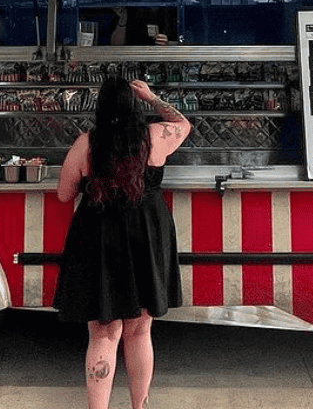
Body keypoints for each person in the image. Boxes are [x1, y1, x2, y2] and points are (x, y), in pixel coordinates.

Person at [54, 76, 191, 409]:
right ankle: (138, 407)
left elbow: (63, 195)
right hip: (147, 233)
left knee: (104, 331)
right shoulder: (157, 136)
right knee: (140, 330)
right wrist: (152, 97)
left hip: (98, 236)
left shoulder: (86, 143)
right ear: (135, 106)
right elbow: (183, 123)